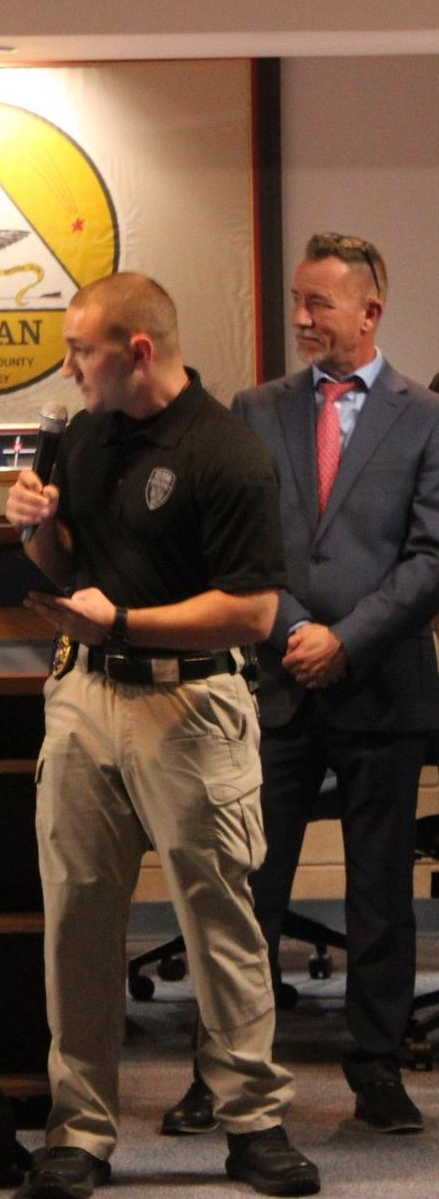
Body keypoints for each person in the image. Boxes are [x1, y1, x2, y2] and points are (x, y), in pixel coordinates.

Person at [5, 272, 319, 1198]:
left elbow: (253, 611)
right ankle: (80, 1131)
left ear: (137, 351)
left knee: (219, 919)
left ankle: (253, 1122)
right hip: (83, 698)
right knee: (77, 920)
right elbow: (67, 566)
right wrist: (37, 531)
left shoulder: (227, 451)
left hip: (191, 705)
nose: (69, 368)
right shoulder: (85, 437)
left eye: (81, 350)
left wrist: (126, 622)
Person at [163, 234, 439, 1138]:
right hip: (274, 683)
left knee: (380, 893)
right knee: (247, 886)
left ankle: (377, 1068)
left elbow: (431, 556)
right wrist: (292, 631)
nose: (301, 318)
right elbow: (235, 543)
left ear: (369, 311)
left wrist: (346, 641)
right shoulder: (256, 409)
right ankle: (224, 1069)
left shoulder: (425, 416)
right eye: (296, 299)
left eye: (318, 302)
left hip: (382, 686)